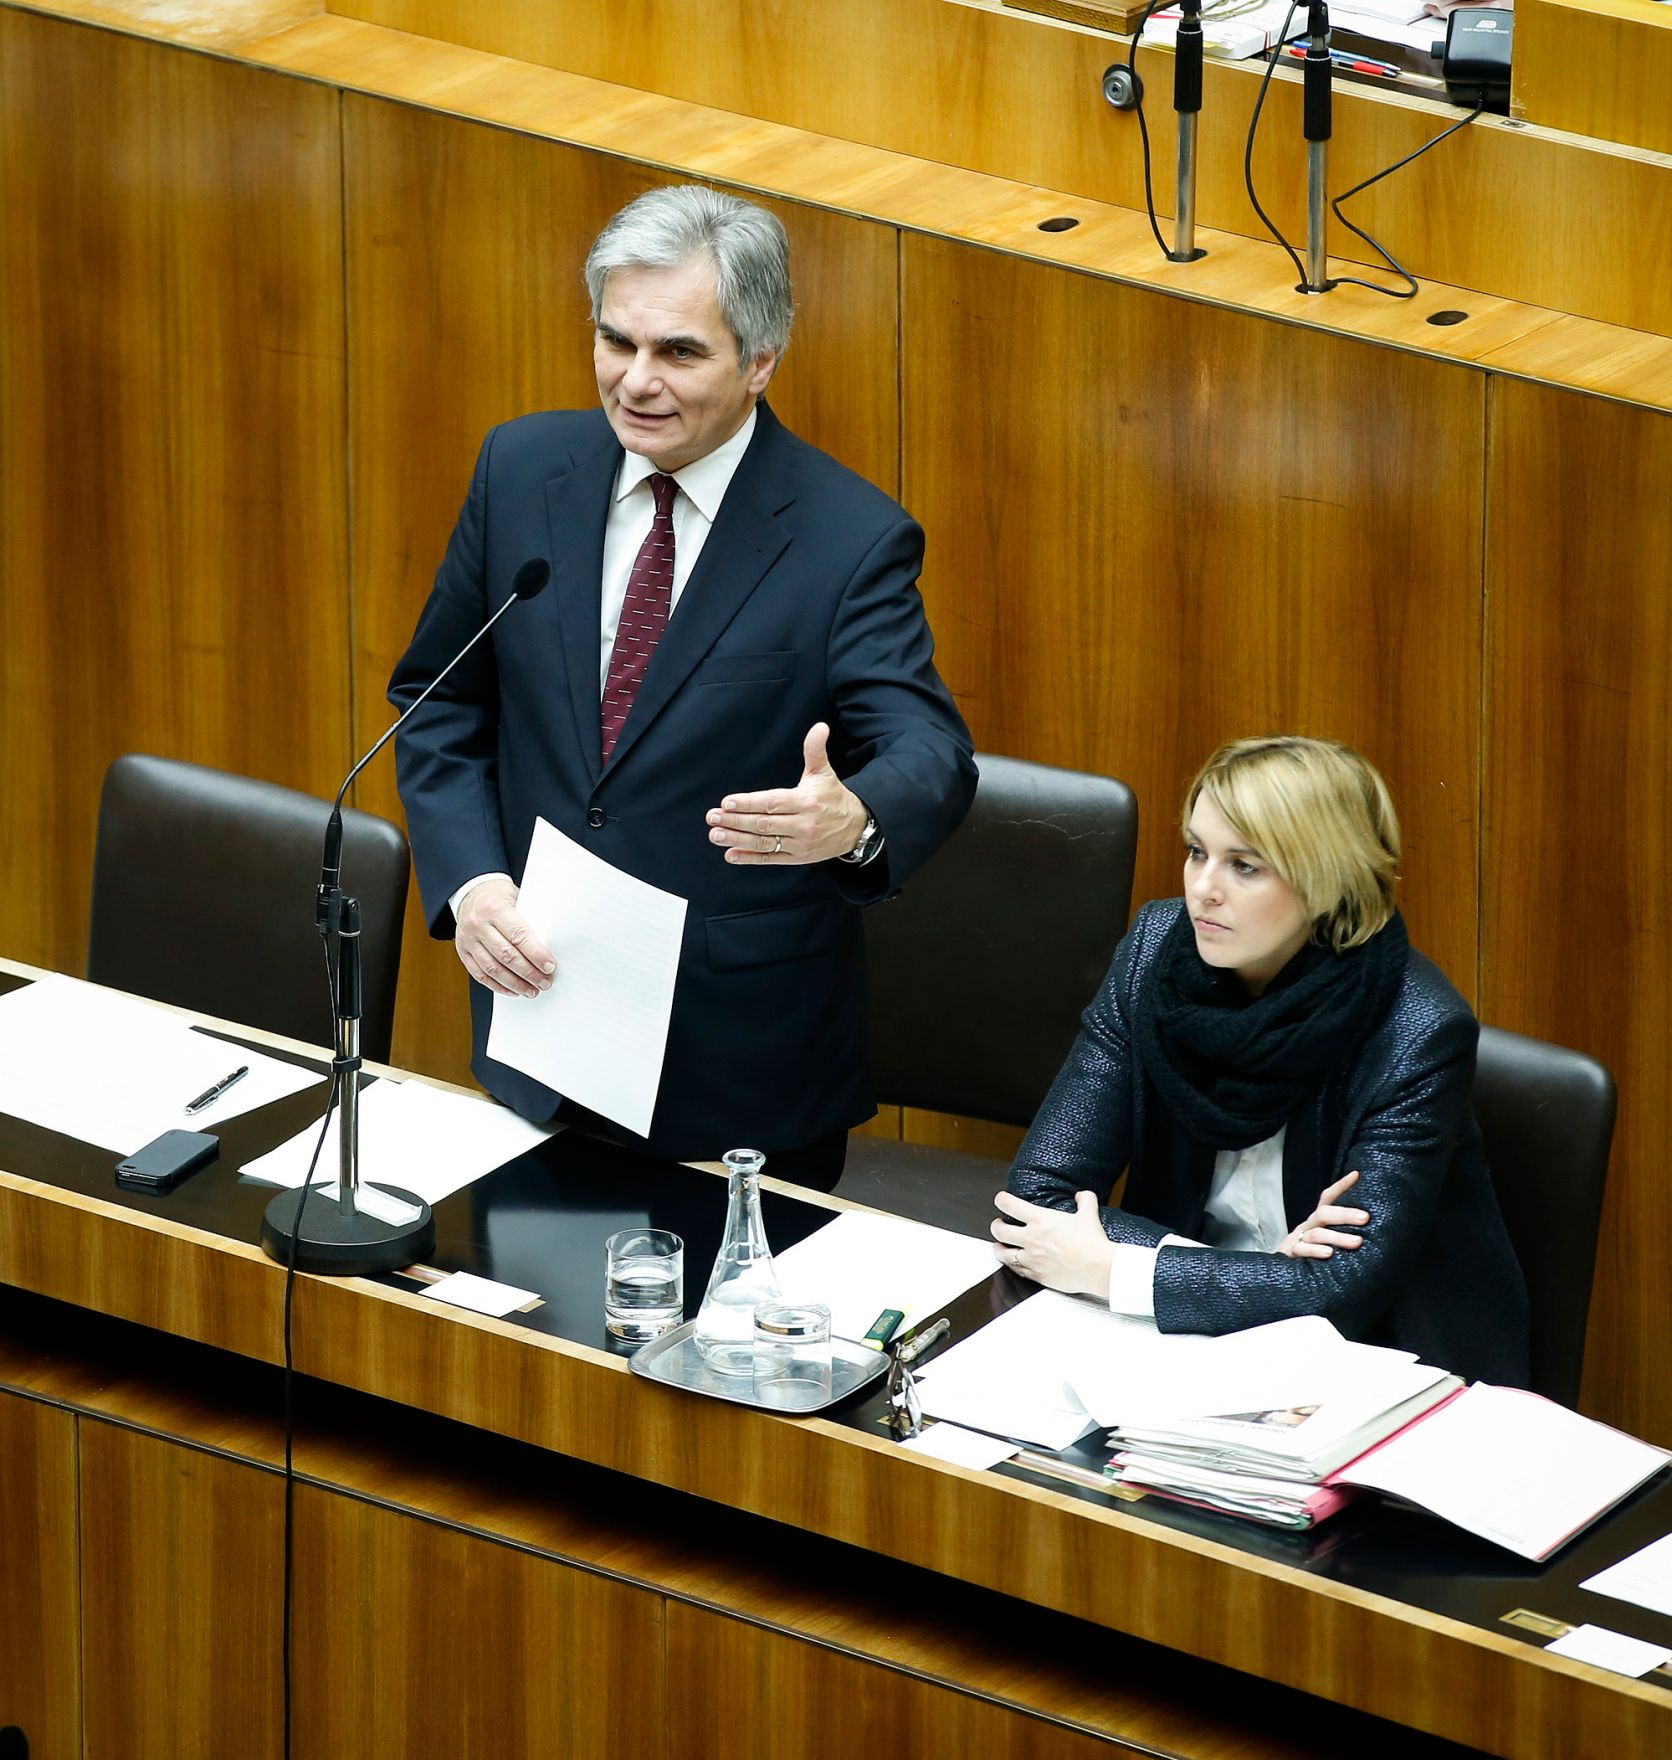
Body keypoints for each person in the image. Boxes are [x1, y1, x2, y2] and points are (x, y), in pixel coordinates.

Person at [390, 184, 976, 1186]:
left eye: (678, 352)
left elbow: (930, 748)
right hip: (540, 1022)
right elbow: (442, 701)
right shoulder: (522, 468)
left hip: (740, 1071)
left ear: (760, 359)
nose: (634, 381)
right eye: (615, 341)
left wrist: (856, 818)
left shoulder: (848, 537)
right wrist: (474, 881)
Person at [993, 736, 1528, 1386]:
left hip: (1381, 1367)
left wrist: (1115, 1268)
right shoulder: (1154, 958)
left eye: (1244, 866)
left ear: (1328, 880)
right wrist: (1257, 1277)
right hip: (1186, 1345)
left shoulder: (1415, 1029)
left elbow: (1345, 1291)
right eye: (1197, 852)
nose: (1203, 890)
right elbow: (1038, 1203)